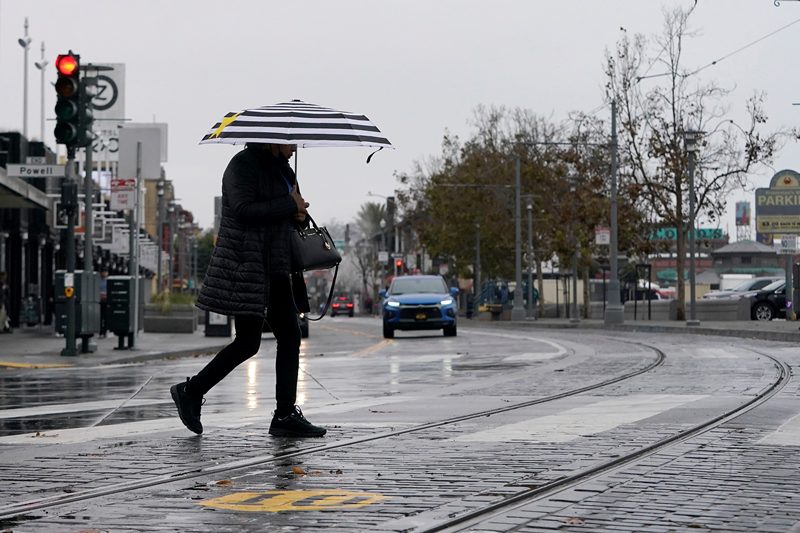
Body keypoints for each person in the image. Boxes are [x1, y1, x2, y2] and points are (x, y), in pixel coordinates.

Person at [171, 143, 326, 438]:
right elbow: (243, 210)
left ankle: (284, 414)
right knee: (247, 342)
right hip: (247, 265)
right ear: (271, 140)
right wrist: (287, 206)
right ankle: (190, 391)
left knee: (291, 335)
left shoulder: (284, 171)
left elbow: (291, 210)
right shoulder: (241, 165)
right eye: (289, 141)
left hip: (277, 264)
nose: (294, 147)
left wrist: (300, 214)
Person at [98, 269, 109, 338]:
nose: (104, 273)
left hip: (105, 301)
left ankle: (104, 331)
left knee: (105, 316)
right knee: (100, 317)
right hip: (99, 301)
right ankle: (101, 331)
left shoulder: (107, 281)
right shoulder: (98, 281)